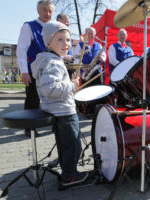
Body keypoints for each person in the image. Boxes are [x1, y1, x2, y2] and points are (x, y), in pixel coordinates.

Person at [31, 21, 87, 187]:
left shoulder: (48, 59)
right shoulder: (52, 62)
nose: (66, 44)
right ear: (48, 42)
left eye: (68, 40)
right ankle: (70, 176)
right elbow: (51, 88)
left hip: (56, 112)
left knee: (64, 146)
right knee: (74, 147)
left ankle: (66, 170)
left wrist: (69, 83)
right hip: (64, 112)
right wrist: (72, 85)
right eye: (60, 40)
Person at [16, 0, 55, 137]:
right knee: (32, 100)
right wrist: (24, 72)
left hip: (51, 71)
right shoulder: (29, 26)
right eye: (44, 10)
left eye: (50, 11)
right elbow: (21, 49)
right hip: (34, 71)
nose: (47, 13)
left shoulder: (54, 28)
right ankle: (30, 127)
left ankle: (52, 124)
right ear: (38, 11)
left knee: (51, 99)